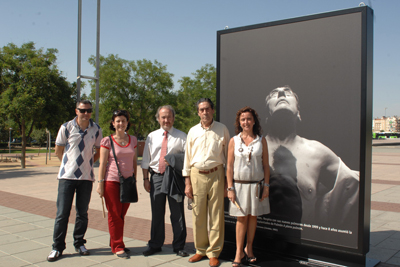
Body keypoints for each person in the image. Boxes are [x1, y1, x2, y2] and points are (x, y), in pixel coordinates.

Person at [264, 86, 359, 230]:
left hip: (301, 239)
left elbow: (352, 185)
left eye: (288, 93)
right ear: (267, 116)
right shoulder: (249, 150)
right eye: (273, 94)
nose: (281, 94)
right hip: (260, 236)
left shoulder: (317, 151)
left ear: (299, 113)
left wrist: (323, 215)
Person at [47, 100, 102, 262]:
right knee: (62, 213)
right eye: (82, 110)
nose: (86, 113)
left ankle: (79, 243)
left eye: (89, 110)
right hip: (67, 177)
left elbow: (99, 150)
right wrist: (69, 164)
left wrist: (89, 163)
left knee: (82, 213)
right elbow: (59, 150)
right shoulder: (66, 127)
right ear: (76, 111)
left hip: (86, 178)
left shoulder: (96, 129)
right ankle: (57, 247)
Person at [183, 98, 230, 267]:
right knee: (198, 215)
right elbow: (187, 159)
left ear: (213, 110)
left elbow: (228, 159)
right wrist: (187, 183)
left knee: (216, 216)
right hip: (197, 175)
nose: (205, 112)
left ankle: (214, 252)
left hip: (217, 174)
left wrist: (227, 183)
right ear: (198, 112)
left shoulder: (222, 129)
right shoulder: (192, 131)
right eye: (201, 110)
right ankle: (200, 250)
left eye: (207, 109)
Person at [141, 105, 189, 257]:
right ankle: (155, 244)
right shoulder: (152, 136)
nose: (166, 120)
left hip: (175, 178)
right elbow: (146, 160)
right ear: (158, 119)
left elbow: (188, 159)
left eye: (169, 117)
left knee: (177, 214)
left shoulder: (182, 136)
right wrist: (145, 179)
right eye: (163, 117)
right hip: (156, 177)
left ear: (173, 118)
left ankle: (179, 246)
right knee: (157, 212)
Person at [226, 107, 270, 267]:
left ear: (254, 121)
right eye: (243, 119)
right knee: (241, 218)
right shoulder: (234, 140)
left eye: (249, 119)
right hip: (239, 186)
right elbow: (229, 166)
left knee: (253, 217)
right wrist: (230, 188)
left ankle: (249, 248)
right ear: (239, 122)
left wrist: (266, 186)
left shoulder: (261, 140)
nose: (246, 122)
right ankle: (238, 252)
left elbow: (266, 165)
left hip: (257, 186)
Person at [96, 110, 137, 259]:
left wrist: (135, 180)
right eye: (118, 121)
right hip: (111, 181)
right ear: (113, 123)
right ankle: (118, 246)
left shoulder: (133, 140)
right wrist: (100, 183)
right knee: (114, 214)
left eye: (123, 120)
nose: (121, 123)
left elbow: (134, 162)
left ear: (127, 123)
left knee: (121, 214)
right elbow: (102, 164)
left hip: (128, 182)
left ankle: (114, 240)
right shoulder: (107, 141)